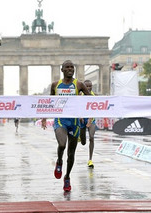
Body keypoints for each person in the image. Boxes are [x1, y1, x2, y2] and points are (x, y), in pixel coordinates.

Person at [41, 60, 90, 192]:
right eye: (67, 67)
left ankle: (67, 176)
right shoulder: (55, 85)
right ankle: (59, 161)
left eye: (72, 67)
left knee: (71, 154)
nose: (70, 69)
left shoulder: (79, 84)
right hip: (61, 120)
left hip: (74, 123)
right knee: (62, 145)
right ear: (62, 70)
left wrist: (88, 117)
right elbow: (49, 103)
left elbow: (91, 100)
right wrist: (44, 118)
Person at [79, 80, 96, 168]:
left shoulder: (94, 96)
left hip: (91, 118)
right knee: (83, 142)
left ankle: (90, 159)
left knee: (92, 137)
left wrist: (89, 120)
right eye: (87, 86)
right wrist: (80, 116)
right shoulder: (79, 96)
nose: (89, 88)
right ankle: (81, 138)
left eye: (90, 86)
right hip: (82, 118)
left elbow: (93, 110)